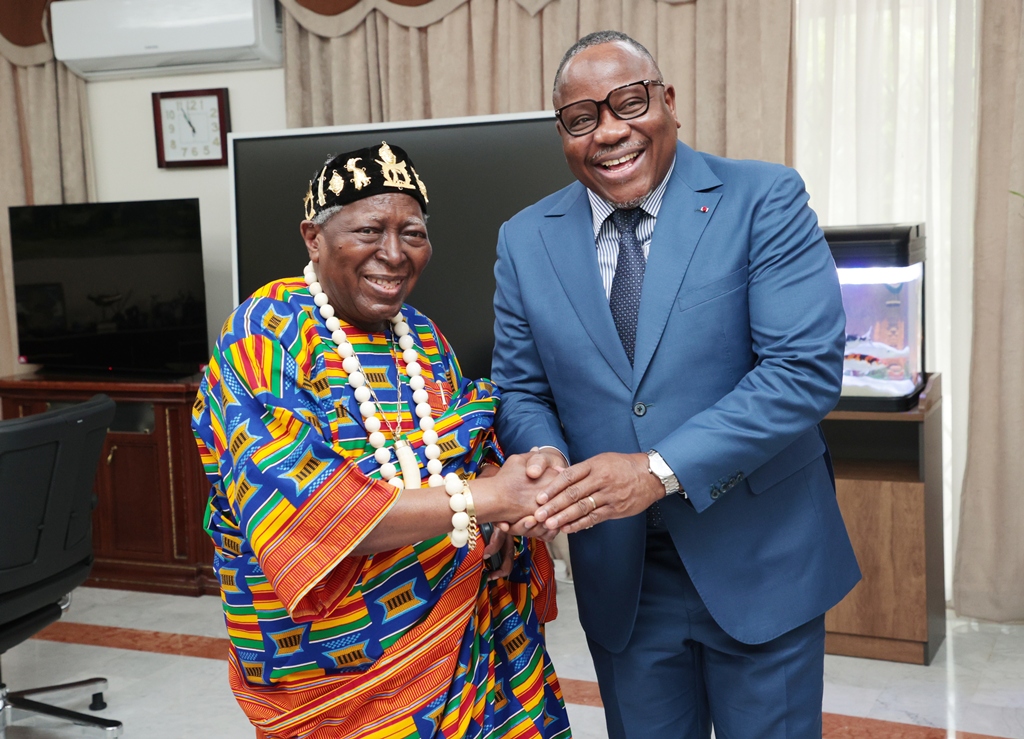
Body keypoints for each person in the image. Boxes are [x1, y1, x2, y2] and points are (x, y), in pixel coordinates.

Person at [491, 31, 862, 738]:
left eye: (629, 103)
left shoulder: (763, 197)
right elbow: (519, 388)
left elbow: (801, 371)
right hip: (622, 574)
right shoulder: (524, 238)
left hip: (760, 556)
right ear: (562, 135)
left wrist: (656, 470)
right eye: (581, 118)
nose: (609, 132)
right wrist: (547, 460)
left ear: (667, 102)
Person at [192, 142, 571, 739]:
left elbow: (463, 448)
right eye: (369, 230)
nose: (393, 254)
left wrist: (497, 511)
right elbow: (310, 514)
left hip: (462, 636)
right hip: (333, 662)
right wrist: (493, 499)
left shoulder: (421, 335)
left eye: (412, 233)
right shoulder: (264, 334)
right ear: (313, 238)